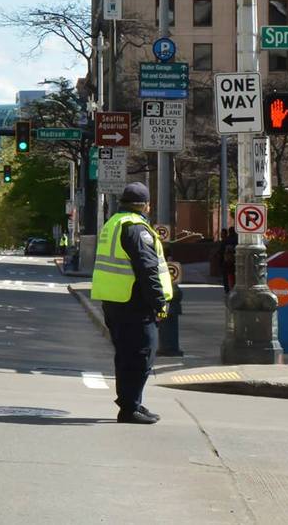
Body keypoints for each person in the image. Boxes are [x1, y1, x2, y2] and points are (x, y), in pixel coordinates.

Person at [90, 182, 173, 424]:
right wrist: (159, 303)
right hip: (134, 302)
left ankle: (131, 402)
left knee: (126, 356)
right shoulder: (136, 228)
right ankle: (129, 408)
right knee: (142, 355)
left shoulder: (113, 224)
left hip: (115, 300)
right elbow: (147, 269)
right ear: (146, 205)